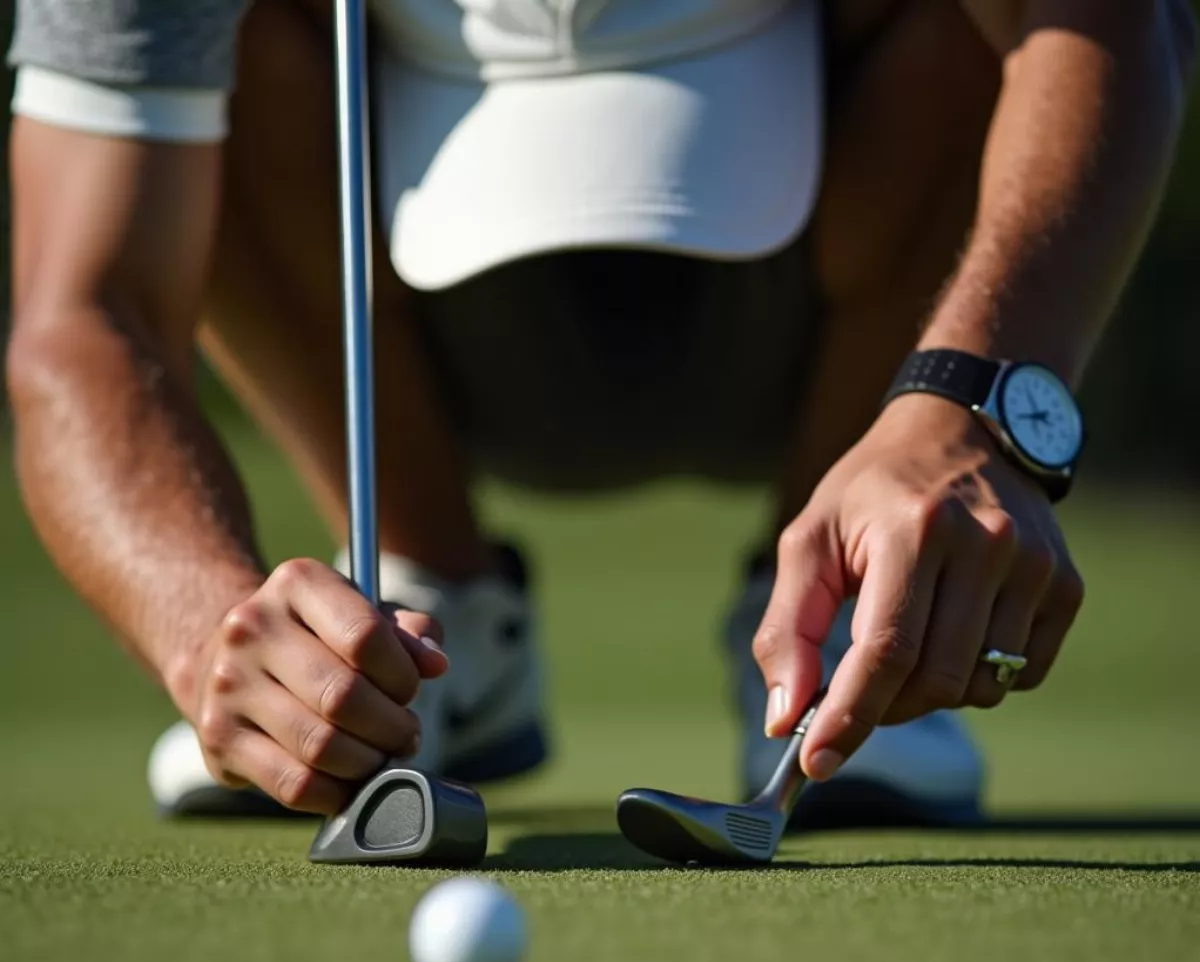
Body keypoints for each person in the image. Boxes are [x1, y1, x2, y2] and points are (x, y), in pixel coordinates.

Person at [6, 1, 1194, 823]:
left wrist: (972, 402)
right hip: (400, 316)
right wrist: (201, 622)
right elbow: (81, 314)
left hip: (844, 308)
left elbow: (1112, 25)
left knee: (985, 31)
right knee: (204, 65)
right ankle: (418, 627)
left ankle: (845, 625)